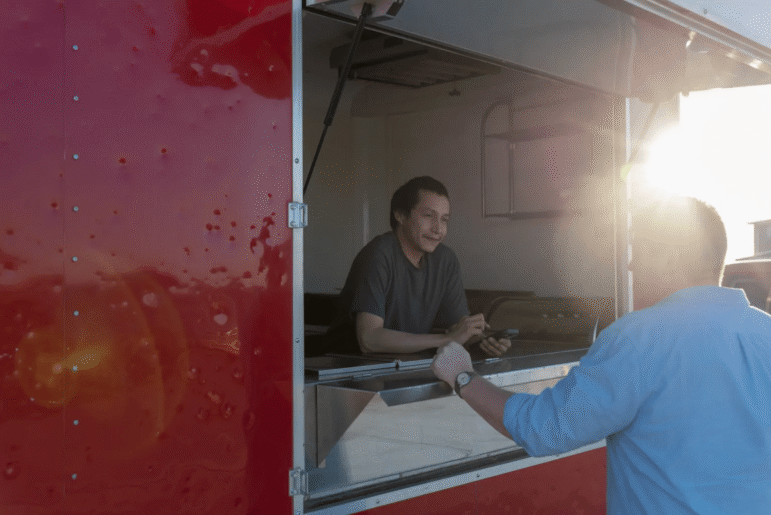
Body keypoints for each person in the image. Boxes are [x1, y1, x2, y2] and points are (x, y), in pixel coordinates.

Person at [432, 196, 771, 513]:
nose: (632, 264)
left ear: (671, 256)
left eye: (639, 249)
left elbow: (545, 427)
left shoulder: (638, 338)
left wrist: (463, 376)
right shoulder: (765, 334)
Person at [325, 176, 511, 356]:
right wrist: (446, 340)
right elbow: (369, 339)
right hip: (348, 369)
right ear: (400, 215)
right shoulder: (378, 254)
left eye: (444, 219)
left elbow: (457, 328)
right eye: (429, 216)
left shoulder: (445, 259)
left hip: (402, 366)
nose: (438, 229)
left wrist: (484, 341)